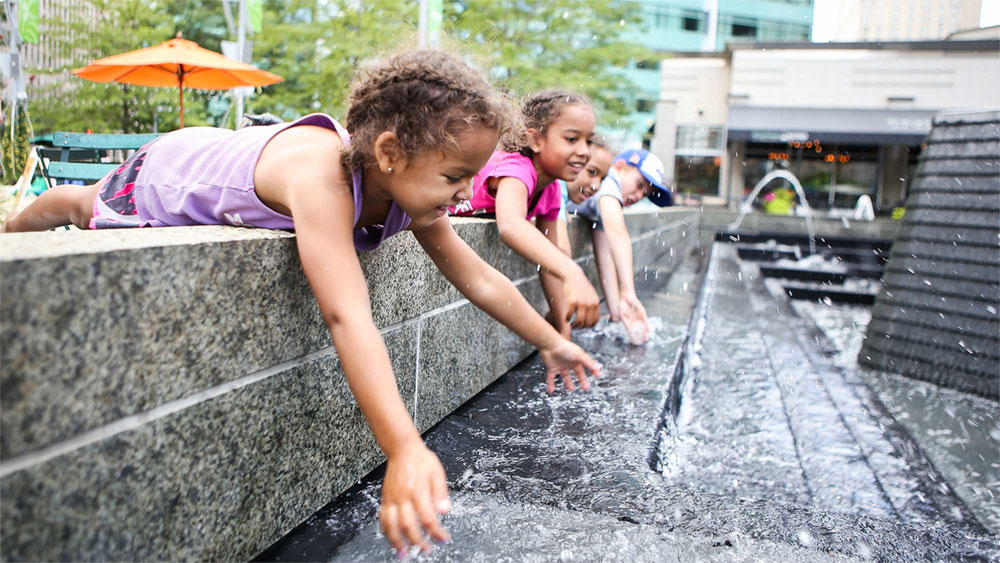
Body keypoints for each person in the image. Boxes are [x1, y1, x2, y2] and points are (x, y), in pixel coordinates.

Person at [3, 50, 603, 557]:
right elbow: (347, 312)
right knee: (83, 207)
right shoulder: (325, 178)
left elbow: (479, 279)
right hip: (174, 171)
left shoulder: (412, 189)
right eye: (455, 176)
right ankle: (16, 227)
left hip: (232, 148)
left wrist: (550, 340)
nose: (469, 191)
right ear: (390, 152)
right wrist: (402, 446)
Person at [451, 90, 602, 339]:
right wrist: (573, 272)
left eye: (589, 141)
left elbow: (549, 259)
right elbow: (510, 226)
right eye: (572, 139)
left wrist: (563, 335)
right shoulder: (516, 169)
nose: (585, 151)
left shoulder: (552, 187)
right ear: (535, 140)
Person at [567, 149, 673, 344]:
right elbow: (618, 233)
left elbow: (605, 254)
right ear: (619, 166)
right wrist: (628, 292)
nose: (638, 195)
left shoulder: (604, 201)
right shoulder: (608, 181)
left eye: (645, 194)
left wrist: (618, 311)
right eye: (639, 185)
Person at [550, 138, 613, 336]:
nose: (596, 186)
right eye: (592, 172)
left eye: (602, 179)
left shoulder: (562, 195)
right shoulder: (556, 187)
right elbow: (559, 246)